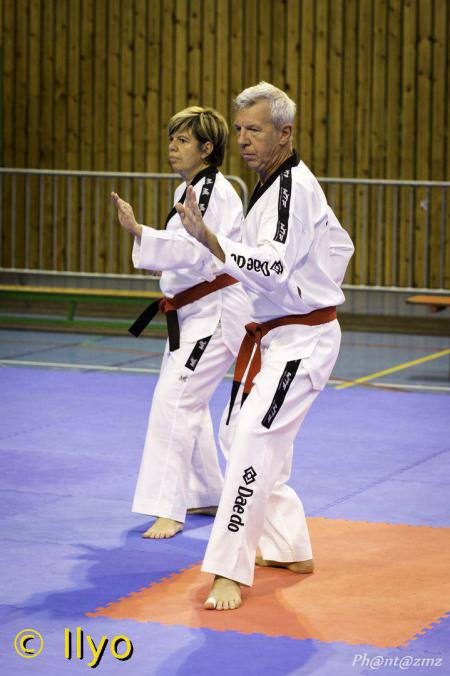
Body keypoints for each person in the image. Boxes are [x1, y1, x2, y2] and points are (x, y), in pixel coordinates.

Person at [175, 82, 354, 610]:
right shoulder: (272, 185)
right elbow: (339, 243)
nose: (243, 140)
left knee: (253, 436)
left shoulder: (291, 190)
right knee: (237, 432)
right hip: (276, 336)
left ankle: (228, 571)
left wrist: (212, 239)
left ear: (285, 132)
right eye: (239, 130)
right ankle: (288, 546)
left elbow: (273, 267)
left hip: (303, 340)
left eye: (255, 129)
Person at [111, 106, 250, 539]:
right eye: (172, 138)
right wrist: (158, 254)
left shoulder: (211, 191)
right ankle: (205, 492)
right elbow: (186, 250)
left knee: (174, 402)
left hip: (215, 314)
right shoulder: (194, 188)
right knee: (186, 401)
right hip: (193, 312)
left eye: (183, 140)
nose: (172, 147)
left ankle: (168, 508)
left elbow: (194, 249)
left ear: (207, 149)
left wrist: (140, 232)